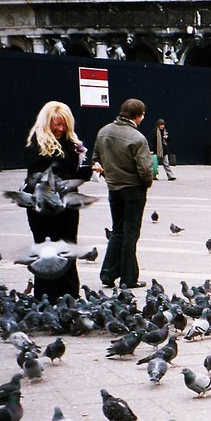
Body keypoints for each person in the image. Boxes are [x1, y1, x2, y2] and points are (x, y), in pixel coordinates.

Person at [19, 101, 98, 301]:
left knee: (67, 251)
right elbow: (47, 175)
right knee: (46, 253)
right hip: (42, 209)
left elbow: (68, 174)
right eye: (56, 124)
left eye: (64, 124)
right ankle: (46, 299)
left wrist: (89, 170)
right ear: (47, 123)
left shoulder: (70, 144)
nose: (60, 128)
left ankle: (69, 298)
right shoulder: (36, 146)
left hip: (66, 208)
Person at [94, 98, 154, 289]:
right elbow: (145, 170)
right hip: (133, 190)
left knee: (117, 230)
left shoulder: (103, 132)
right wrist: (147, 183)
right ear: (139, 115)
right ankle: (129, 278)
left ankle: (108, 273)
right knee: (130, 233)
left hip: (114, 188)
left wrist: (110, 175)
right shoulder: (137, 138)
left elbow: (96, 158)